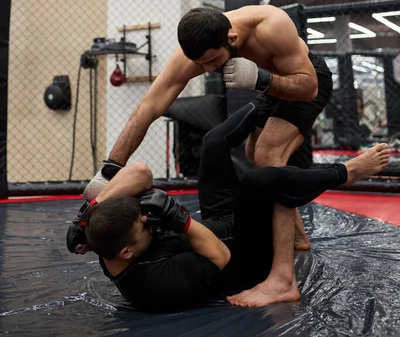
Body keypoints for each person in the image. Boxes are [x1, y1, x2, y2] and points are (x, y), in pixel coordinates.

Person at [70, 4, 335, 303]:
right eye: (201, 64)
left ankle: (283, 280)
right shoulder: (191, 57)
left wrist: (262, 79)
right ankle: (297, 237)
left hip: (303, 79)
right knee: (252, 152)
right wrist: (110, 170)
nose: (209, 70)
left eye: (214, 60)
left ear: (231, 39)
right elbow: (148, 107)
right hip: (269, 85)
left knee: (267, 157)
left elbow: (309, 87)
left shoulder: (271, 26)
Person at [73, 101, 390, 311]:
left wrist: (88, 213)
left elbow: (139, 171)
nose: (146, 220)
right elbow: (219, 254)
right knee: (258, 181)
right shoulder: (154, 284)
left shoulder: (106, 233)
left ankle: (267, 100)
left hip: (216, 224)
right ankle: (346, 172)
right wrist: (177, 217)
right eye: (142, 225)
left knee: (213, 143)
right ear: (126, 252)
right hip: (242, 256)